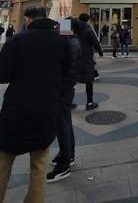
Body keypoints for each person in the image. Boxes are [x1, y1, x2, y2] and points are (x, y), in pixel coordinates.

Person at [0, 6, 70, 203]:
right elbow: (70, 71)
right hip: (47, 106)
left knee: (3, 162)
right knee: (39, 164)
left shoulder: (17, 41)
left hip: (16, 107)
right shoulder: (62, 40)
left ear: (27, 20)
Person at [47, 19, 81, 183]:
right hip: (65, 89)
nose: (58, 29)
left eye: (62, 26)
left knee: (62, 124)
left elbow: (69, 70)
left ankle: (64, 163)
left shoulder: (71, 44)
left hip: (63, 90)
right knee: (65, 122)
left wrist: (61, 87)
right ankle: (67, 154)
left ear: (70, 29)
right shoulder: (69, 42)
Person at [75, 13, 104, 110]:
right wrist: (100, 52)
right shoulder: (88, 30)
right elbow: (95, 42)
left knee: (71, 81)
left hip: (73, 57)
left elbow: (63, 36)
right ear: (88, 20)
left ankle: (67, 102)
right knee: (89, 82)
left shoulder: (73, 28)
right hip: (86, 58)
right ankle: (90, 103)